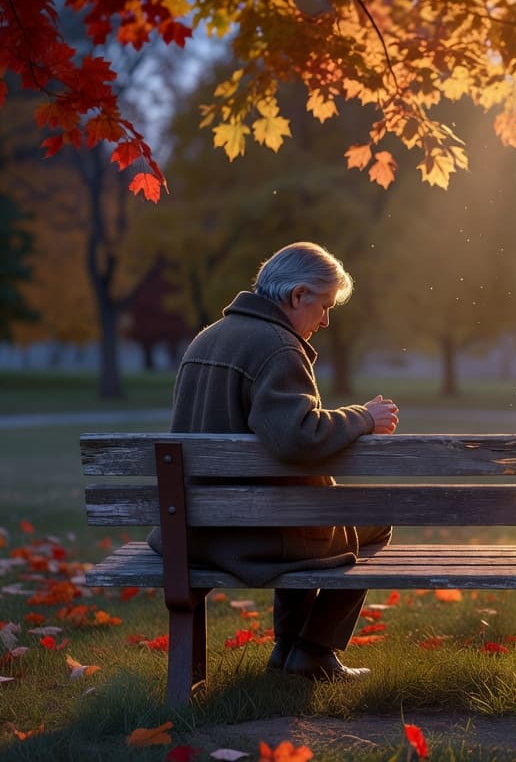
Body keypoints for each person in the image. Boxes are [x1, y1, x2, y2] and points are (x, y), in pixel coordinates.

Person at [148, 241, 399, 681]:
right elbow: (297, 438)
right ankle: (311, 649)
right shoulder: (279, 347)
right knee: (373, 521)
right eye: (323, 306)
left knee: (314, 515)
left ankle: (290, 649)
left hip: (191, 531)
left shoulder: (207, 338)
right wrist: (362, 417)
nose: (325, 320)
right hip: (254, 537)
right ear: (297, 295)